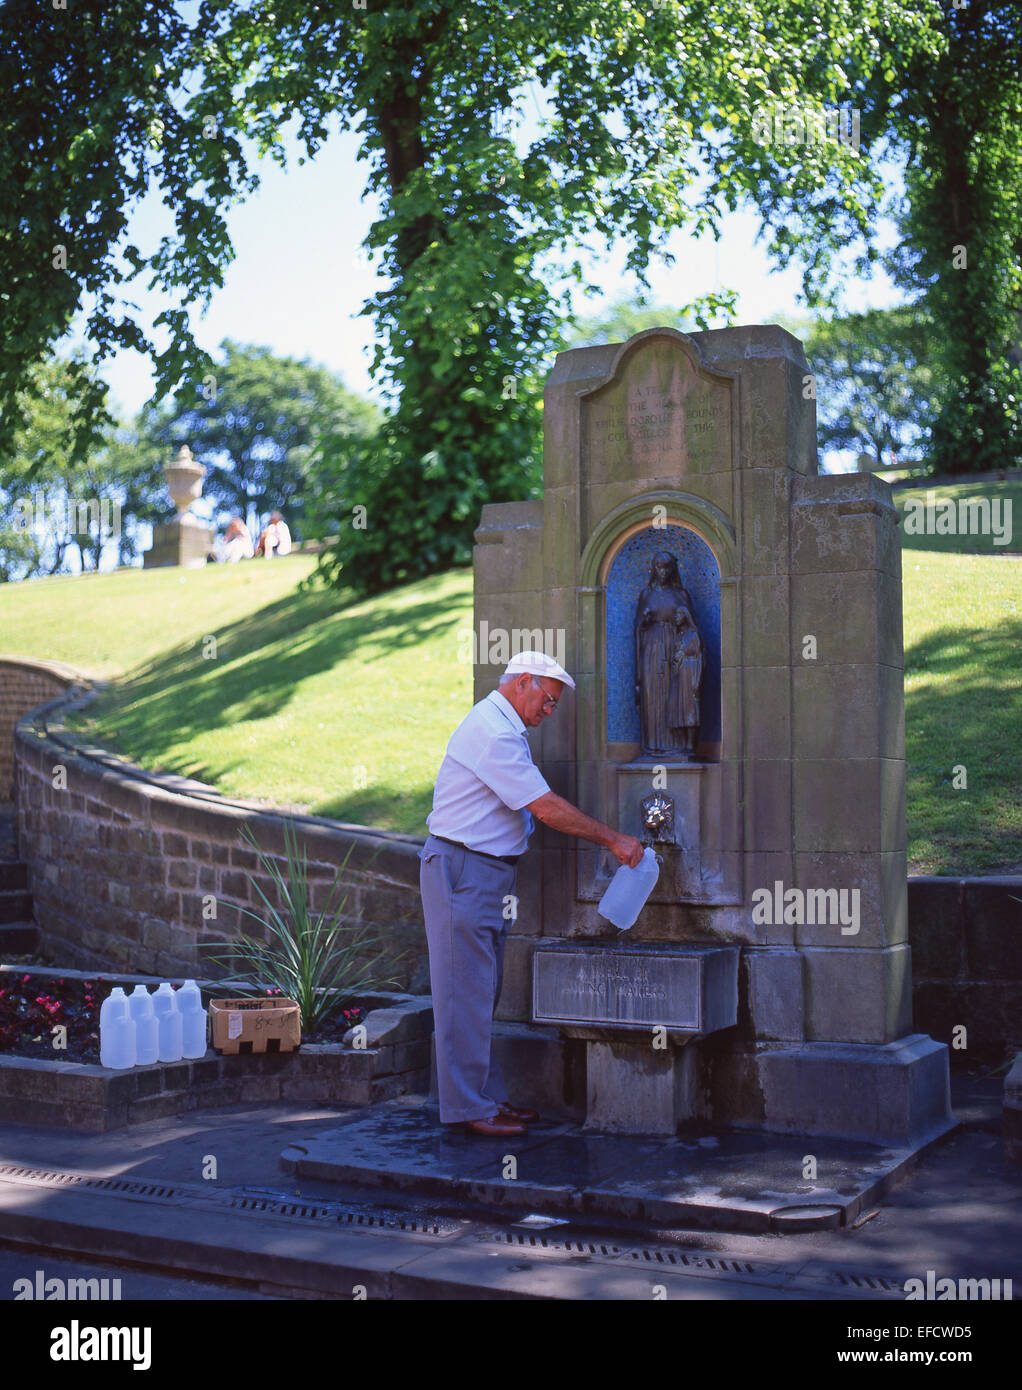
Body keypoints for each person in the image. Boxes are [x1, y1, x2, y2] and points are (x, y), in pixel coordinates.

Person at [419, 649, 644, 1138]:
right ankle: (468, 1109)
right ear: (522, 682)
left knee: (479, 992)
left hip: (480, 873)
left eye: (554, 705)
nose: (548, 712)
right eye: (547, 700)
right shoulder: (494, 733)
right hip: (464, 869)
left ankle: (482, 1101)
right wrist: (615, 840)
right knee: (464, 993)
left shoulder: (501, 727)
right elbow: (545, 808)